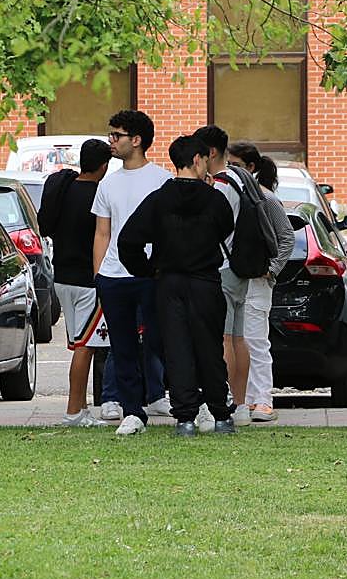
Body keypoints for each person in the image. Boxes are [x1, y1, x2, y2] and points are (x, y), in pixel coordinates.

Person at [119, 136, 236, 436]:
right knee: (210, 347)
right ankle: (220, 413)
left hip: (168, 281)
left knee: (177, 349)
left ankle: (185, 417)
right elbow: (227, 226)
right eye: (206, 160)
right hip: (205, 280)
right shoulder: (214, 199)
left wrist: (147, 270)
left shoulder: (159, 199)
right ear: (197, 160)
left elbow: (128, 240)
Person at [91, 110, 172, 436]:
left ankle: (183, 402)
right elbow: (101, 233)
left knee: (160, 341)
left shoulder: (162, 180)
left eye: (116, 136)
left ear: (136, 140)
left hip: (151, 275)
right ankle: (132, 411)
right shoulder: (108, 183)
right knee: (122, 346)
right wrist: (99, 276)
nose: (111, 141)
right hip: (113, 278)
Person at [193, 125, 278, 428]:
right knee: (239, 338)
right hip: (240, 269)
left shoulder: (221, 186)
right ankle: (240, 404)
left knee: (225, 339)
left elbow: (209, 229)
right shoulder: (241, 180)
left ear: (210, 153)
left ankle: (225, 401)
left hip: (221, 269)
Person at [38, 138, 115, 427]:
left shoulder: (65, 188)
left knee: (78, 342)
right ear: (104, 166)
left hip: (63, 278)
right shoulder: (101, 195)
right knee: (86, 346)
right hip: (88, 280)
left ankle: (81, 407)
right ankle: (73, 411)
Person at [226, 142, 296, 422]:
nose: (231, 171)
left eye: (237, 165)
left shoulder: (265, 199)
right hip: (232, 277)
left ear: (251, 168)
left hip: (256, 280)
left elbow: (286, 236)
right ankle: (239, 398)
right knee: (231, 340)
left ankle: (262, 399)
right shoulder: (227, 194)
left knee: (255, 341)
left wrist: (272, 268)